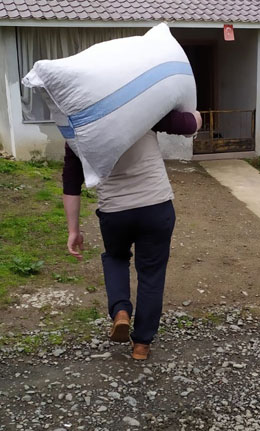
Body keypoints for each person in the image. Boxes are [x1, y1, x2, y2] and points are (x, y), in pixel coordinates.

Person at [62, 110, 201, 360]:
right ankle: (141, 345)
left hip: (115, 213)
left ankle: (121, 312)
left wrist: (73, 230)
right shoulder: (141, 104)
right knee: (151, 274)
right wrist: (198, 116)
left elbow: (71, 181)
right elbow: (188, 125)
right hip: (156, 207)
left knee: (116, 258)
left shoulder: (79, 123)